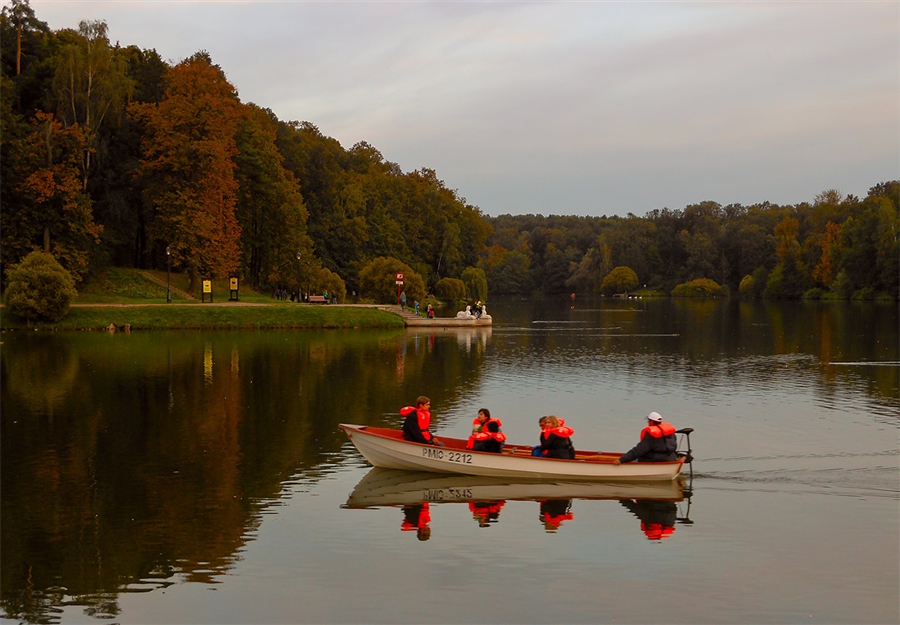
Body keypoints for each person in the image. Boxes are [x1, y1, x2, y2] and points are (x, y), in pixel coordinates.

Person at [613, 411, 677, 465]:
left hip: (655, 460)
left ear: (651, 422)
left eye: (648, 421)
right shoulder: (670, 433)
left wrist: (621, 460)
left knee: (633, 460)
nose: (648, 422)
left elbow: (638, 451)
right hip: (671, 459)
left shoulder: (651, 435)